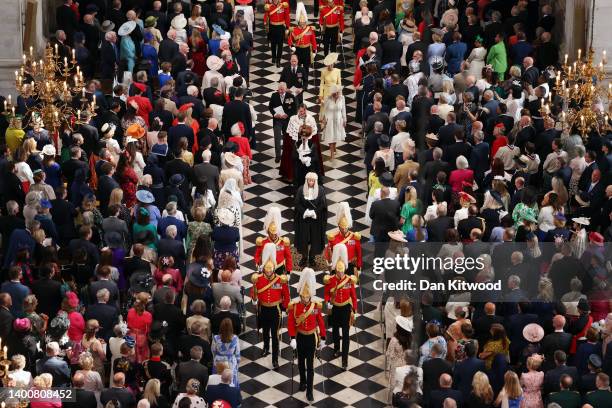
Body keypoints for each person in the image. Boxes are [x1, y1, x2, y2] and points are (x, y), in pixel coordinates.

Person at [288, 269, 325, 402]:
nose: (305, 299)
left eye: (307, 297)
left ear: (311, 296)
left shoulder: (315, 307)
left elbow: (320, 322)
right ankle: (302, 382)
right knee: (300, 364)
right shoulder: (295, 306)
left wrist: (324, 338)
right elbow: (291, 323)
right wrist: (292, 338)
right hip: (300, 338)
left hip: (311, 338)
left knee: (310, 366)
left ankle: (310, 391)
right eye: (303, 297)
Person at [251, 242, 289, 368]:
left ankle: (274, 359)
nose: (268, 273)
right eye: (266, 271)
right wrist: (254, 300)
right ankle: (266, 347)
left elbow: (286, 295)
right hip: (263, 309)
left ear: (273, 269)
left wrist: (285, 307)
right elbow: (254, 292)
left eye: (270, 271)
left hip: (275, 310)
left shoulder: (280, 279)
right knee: (265, 331)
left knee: (275, 333)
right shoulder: (259, 278)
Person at [324, 244, 357, 370]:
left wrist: (354, 309)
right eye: (338, 271)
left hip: (345, 309)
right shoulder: (331, 280)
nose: (341, 273)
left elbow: (353, 297)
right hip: (335, 308)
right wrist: (327, 302)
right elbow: (327, 293)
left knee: (346, 334)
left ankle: (345, 359)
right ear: (336, 270)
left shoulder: (349, 280)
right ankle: (337, 348)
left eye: (342, 271)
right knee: (335, 331)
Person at [294, 172, 328, 267]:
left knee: (315, 238)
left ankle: (312, 258)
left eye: (313, 180)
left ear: (315, 181)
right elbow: (297, 203)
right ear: (307, 180)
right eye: (309, 180)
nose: (311, 182)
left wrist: (314, 212)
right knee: (303, 238)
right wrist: (304, 212)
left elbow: (323, 204)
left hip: (315, 220)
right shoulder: (301, 190)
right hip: (304, 218)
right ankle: (304, 257)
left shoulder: (320, 190)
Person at [320, 85, 346, 160]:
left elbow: (343, 109)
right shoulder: (328, 99)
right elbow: (324, 109)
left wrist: (345, 119)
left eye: (339, 92)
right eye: (336, 93)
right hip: (330, 120)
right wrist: (323, 119)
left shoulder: (342, 98)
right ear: (333, 93)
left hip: (338, 120)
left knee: (336, 135)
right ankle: (332, 154)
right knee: (330, 137)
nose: (338, 94)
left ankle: (334, 147)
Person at [264, 0, 290, 67]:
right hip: (272, 27)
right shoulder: (269, 6)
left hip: (280, 27)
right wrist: (266, 25)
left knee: (280, 45)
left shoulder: (283, 6)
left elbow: (287, 16)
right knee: (273, 44)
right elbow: (266, 16)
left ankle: (278, 60)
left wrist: (287, 26)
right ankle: (273, 57)